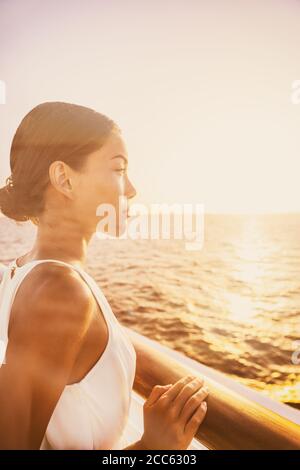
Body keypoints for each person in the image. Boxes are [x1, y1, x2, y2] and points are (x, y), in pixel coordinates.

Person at [0, 102, 208, 450]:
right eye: (119, 169)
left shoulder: (17, 271)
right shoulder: (58, 292)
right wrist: (152, 449)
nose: (131, 189)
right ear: (65, 178)